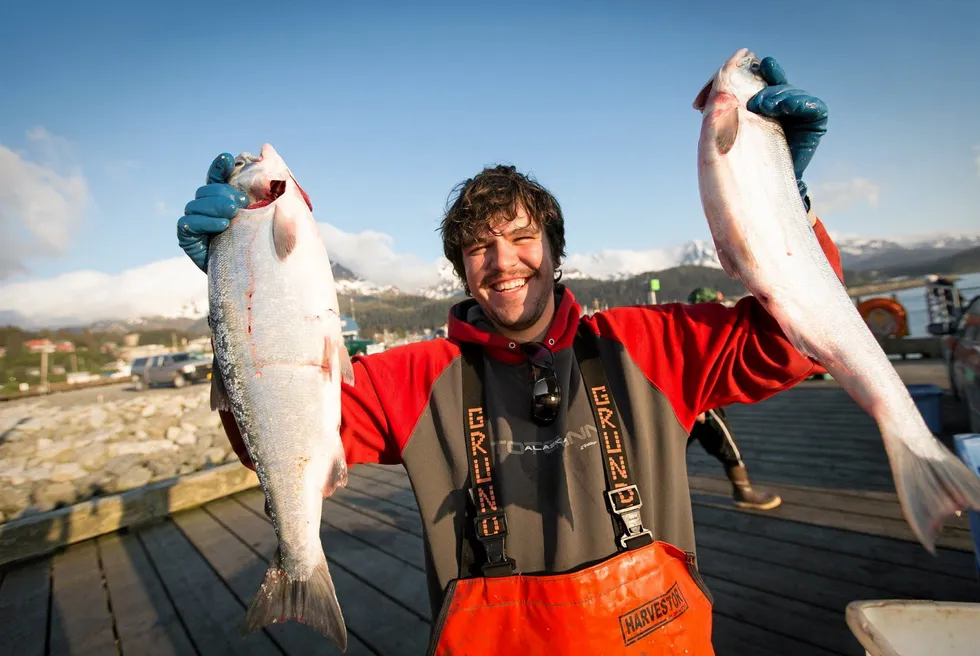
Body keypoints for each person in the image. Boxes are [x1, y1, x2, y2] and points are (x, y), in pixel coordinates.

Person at [177, 57, 834, 654]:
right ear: (461, 269)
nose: (503, 262)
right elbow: (278, 420)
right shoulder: (415, 379)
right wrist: (243, 302)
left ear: (554, 248)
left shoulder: (644, 345)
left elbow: (789, 345)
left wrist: (785, 214)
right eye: (478, 248)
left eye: (522, 237)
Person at [685, 287, 782, 511]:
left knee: (672, 449)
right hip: (701, 402)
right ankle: (743, 491)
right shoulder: (701, 328)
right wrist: (696, 404)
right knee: (726, 445)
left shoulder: (695, 326)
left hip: (698, 401)